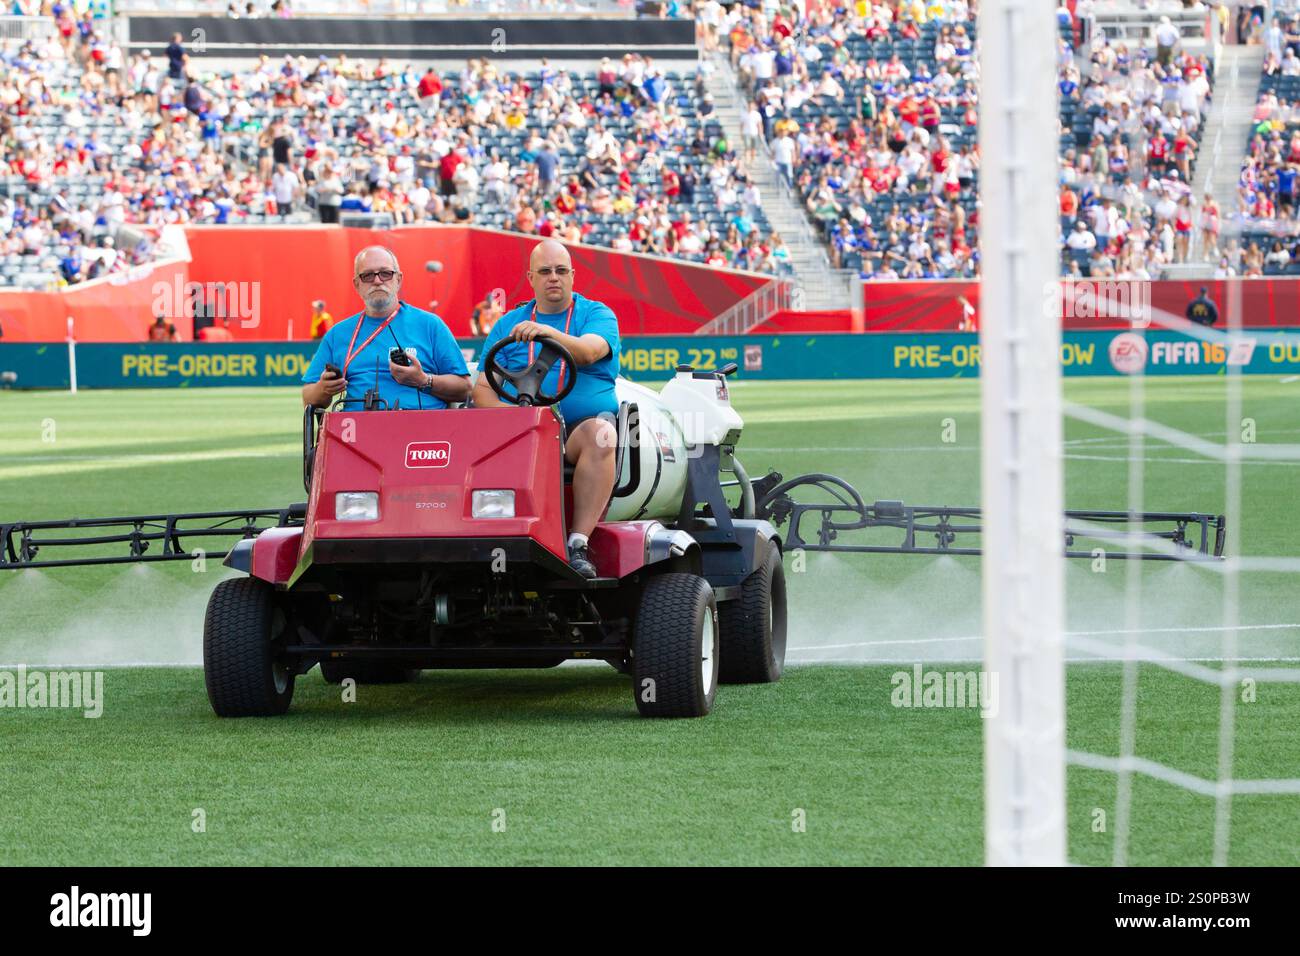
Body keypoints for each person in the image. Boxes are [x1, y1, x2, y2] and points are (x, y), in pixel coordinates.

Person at [472, 240, 621, 579]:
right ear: (531, 278)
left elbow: (586, 352)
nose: (553, 278)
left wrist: (547, 332)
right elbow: (481, 390)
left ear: (572, 275)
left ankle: (579, 543)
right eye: (545, 272)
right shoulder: (508, 323)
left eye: (560, 271)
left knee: (602, 435)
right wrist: (516, 423)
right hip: (516, 434)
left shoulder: (597, 315)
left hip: (576, 433)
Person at [301, 246, 469, 410]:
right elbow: (309, 398)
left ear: (399, 279)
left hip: (420, 430)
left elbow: (465, 388)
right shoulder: (337, 334)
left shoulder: (430, 325)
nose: (377, 281)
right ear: (357, 284)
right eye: (367, 275)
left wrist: (424, 380)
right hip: (356, 432)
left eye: (385, 273)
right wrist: (323, 388)